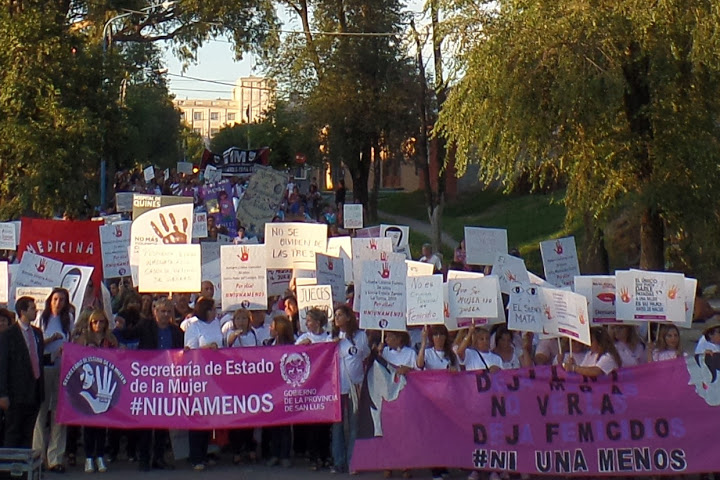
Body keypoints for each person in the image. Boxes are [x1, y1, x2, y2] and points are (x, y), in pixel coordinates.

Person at [122, 298, 183, 471]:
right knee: (146, 421)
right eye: (162, 311)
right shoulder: (145, 326)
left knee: (163, 422)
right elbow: (128, 336)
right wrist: (115, 327)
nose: (165, 314)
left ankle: (159, 457)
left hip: (168, 381)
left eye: (168, 311)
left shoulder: (177, 331)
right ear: (155, 311)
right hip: (148, 381)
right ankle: (144, 458)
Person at [34, 287, 73, 473]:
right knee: (41, 413)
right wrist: (50, 340)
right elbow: (35, 343)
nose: (58, 303)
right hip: (44, 367)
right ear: (50, 300)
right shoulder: (42, 318)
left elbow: (72, 341)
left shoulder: (68, 320)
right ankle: (38, 455)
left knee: (58, 413)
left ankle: (55, 457)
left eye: (62, 300)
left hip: (62, 368)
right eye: (56, 299)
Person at [76, 310, 118, 473]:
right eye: (95, 322)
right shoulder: (84, 339)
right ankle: (88, 457)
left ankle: (100, 456)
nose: (98, 325)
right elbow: (75, 358)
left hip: (105, 384)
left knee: (102, 423)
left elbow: (119, 358)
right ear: (90, 323)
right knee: (89, 424)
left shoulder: (111, 339)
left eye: (101, 322)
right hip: (89, 385)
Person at [184, 297, 223, 471]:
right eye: (213, 309)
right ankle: (195, 456)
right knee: (197, 417)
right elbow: (190, 351)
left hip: (214, 376)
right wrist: (207, 349)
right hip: (198, 377)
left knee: (208, 416)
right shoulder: (193, 327)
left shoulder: (215, 324)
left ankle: (205, 453)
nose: (216, 312)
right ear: (205, 310)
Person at [0, 297, 44, 448]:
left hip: (34, 392)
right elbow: (3, 365)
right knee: (13, 431)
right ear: (22, 311)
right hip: (16, 393)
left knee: (28, 433)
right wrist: (3, 394)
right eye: (32, 308)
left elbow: (38, 359)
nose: (35, 311)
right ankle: (10, 468)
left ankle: (24, 469)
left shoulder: (37, 334)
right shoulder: (8, 335)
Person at [331, 305, 369, 474]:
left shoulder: (360, 336)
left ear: (348, 317)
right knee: (337, 426)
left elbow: (365, 356)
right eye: (335, 315)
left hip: (355, 386)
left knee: (354, 426)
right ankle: (338, 461)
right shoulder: (331, 336)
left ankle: (353, 461)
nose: (337, 318)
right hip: (336, 387)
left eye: (340, 315)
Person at [295, 309, 332, 470]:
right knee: (312, 424)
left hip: (326, 386)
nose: (307, 323)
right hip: (309, 387)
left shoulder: (328, 338)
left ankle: (325, 455)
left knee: (325, 425)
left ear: (317, 322)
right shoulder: (304, 338)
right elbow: (292, 356)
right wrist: (302, 348)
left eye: (309, 320)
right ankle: (314, 456)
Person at [223, 309, 258, 465]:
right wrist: (235, 335)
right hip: (234, 380)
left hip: (250, 380)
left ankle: (250, 447)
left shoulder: (253, 334)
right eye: (239, 318)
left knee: (250, 415)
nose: (242, 321)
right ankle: (236, 449)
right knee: (236, 416)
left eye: (244, 318)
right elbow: (228, 343)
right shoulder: (230, 333)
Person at [265, 316, 294, 468]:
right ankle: (274, 454)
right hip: (272, 389)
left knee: (285, 425)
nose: (270, 327)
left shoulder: (292, 345)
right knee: (274, 424)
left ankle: (285, 455)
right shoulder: (267, 344)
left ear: (279, 329)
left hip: (286, 388)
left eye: (272, 325)